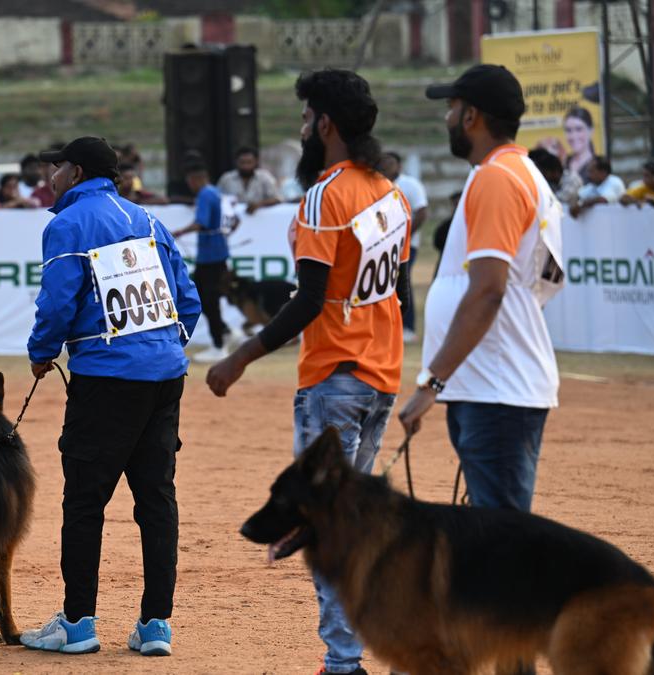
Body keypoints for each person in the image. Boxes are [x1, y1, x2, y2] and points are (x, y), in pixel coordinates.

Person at [205, 68, 410, 675]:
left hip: (336, 378)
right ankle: (361, 652)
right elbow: (386, 288)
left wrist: (240, 356)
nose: (300, 131)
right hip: (381, 377)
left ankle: (343, 664)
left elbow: (309, 299)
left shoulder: (328, 194)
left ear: (325, 124)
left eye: (304, 119)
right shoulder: (389, 193)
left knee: (325, 527)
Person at [20, 136, 201, 658]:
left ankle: (77, 623)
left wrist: (41, 352)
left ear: (75, 172)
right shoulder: (150, 222)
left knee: (83, 502)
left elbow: (57, 300)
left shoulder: (67, 225)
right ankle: (155, 626)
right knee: (157, 501)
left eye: (54, 167)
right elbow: (186, 300)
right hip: (165, 376)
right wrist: (161, 346)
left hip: (105, 380)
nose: (49, 177)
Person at [402, 63, 565, 556]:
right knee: (495, 537)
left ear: (471, 115)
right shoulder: (511, 173)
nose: (447, 118)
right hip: (494, 384)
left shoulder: (498, 178)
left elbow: (489, 290)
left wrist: (431, 382)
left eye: (451, 108)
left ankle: (518, 633)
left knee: (502, 545)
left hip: (497, 389)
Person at [172, 162, 232, 363]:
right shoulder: (216, 192)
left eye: (189, 180)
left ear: (196, 178)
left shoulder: (205, 195)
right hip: (217, 252)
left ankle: (219, 344)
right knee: (205, 296)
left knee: (208, 299)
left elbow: (201, 222)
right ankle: (224, 332)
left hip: (210, 256)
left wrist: (178, 232)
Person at [376, 151, 428, 342]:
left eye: (389, 163)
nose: (385, 166)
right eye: (382, 162)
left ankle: (408, 327)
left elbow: (421, 212)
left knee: (402, 281)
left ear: (399, 166)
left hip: (406, 244)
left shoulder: (410, 185)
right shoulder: (376, 184)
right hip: (382, 244)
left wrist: (405, 237)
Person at [217, 146, 283, 214]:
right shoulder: (226, 179)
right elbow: (217, 200)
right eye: (242, 162)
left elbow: (277, 199)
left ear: (256, 161)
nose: (246, 166)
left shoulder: (265, 177)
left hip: (260, 221)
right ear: (236, 162)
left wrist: (259, 205)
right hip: (234, 221)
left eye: (249, 162)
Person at [563, 106, 596, 182]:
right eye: (569, 130)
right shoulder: (565, 162)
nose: (573, 136)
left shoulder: (596, 164)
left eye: (579, 129)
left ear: (591, 131)